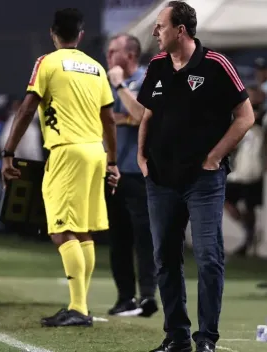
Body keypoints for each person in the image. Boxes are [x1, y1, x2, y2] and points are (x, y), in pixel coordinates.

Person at [108, 2, 254, 351]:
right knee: (164, 260)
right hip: (160, 180)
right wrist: (142, 157)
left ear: (180, 31)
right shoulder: (157, 65)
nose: (155, 33)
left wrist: (215, 157)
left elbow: (245, 116)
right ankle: (177, 337)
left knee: (208, 258)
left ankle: (207, 338)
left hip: (203, 181)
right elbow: (147, 115)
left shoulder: (217, 65)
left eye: (160, 26)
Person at [1, 8, 119, 327]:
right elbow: (109, 118)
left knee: (59, 228)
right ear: (80, 35)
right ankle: (79, 303)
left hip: (67, 151)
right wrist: (112, 159)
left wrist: (9, 151)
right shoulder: (97, 68)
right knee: (83, 229)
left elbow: (28, 108)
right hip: (95, 151)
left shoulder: (47, 62)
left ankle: (79, 308)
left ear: (53, 34)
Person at [105, 33, 158, 317]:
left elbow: (140, 115)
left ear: (129, 55)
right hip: (113, 170)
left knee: (144, 237)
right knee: (119, 238)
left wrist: (120, 85)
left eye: (113, 51)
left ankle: (148, 296)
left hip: (140, 172)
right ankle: (125, 297)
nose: (109, 56)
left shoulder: (147, 78)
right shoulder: (105, 84)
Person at [224, 85, 267, 256]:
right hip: (239, 168)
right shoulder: (238, 116)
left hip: (256, 167)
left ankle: (249, 239)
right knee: (226, 200)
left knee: (250, 206)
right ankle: (248, 231)